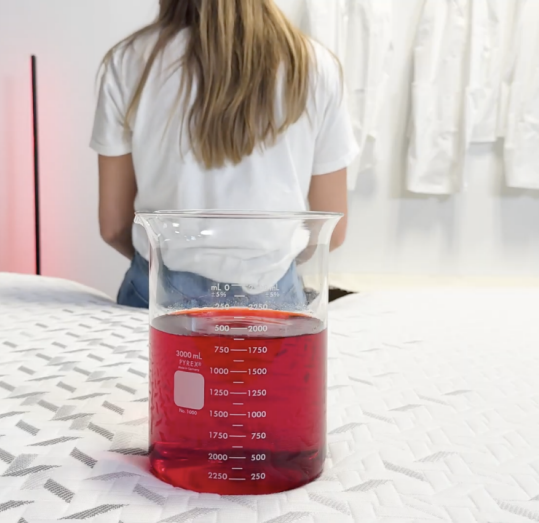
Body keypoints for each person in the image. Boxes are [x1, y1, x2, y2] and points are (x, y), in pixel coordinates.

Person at [91, 0, 358, 308]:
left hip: (156, 293)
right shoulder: (315, 65)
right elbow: (332, 232)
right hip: (272, 298)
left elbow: (114, 227)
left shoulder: (129, 61)